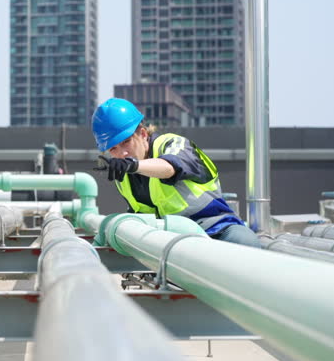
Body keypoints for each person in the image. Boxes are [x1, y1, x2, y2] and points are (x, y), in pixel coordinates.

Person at [91, 97, 261, 248]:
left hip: (216, 231)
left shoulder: (171, 143)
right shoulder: (124, 175)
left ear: (142, 134)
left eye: (126, 141)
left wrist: (134, 166)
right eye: (113, 148)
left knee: (245, 245)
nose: (122, 153)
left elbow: (169, 167)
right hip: (171, 243)